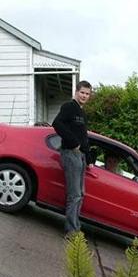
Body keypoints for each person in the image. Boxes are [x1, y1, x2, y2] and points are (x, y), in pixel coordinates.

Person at [52, 81, 92, 235]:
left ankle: (76, 227)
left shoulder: (82, 112)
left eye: (87, 94)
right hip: (70, 153)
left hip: (80, 156)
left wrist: (89, 159)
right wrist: (73, 143)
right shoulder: (69, 107)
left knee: (80, 194)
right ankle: (71, 231)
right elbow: (57, 123)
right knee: (74, 194)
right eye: (82, 92)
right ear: (76, 92)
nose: (84, 96)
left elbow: (84, 137)